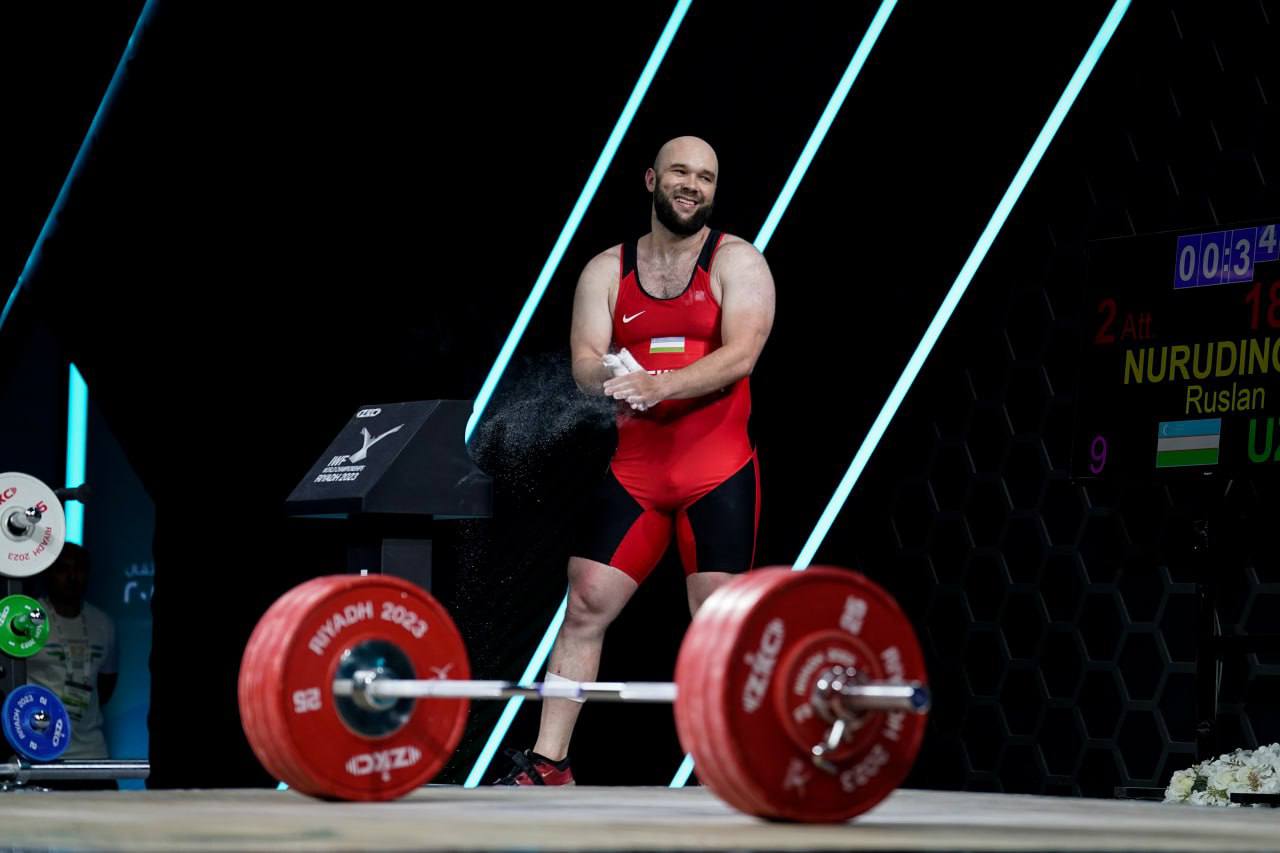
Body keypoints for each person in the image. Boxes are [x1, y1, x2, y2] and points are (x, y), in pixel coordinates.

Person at [496, 136, 776, 785]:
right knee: (585, 600)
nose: (692, 185)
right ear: (652, 179)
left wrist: (661, 383)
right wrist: (614, 377)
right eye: (680, 172)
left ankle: (730, 767)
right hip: (637, 475)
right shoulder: (605, 270)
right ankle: (550, 764)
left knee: (718, 617)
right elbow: (584, 363)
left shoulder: (738, 262)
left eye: (705, 177)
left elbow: (742, 354)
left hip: (717, 471)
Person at [25, 542, 119, 786]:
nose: (72, 576)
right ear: (48, 573)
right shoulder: (28, 618)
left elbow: (106, 687)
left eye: (79, 569)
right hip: (38, 751)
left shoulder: (102, 623)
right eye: (63, 569)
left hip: (92, 754)